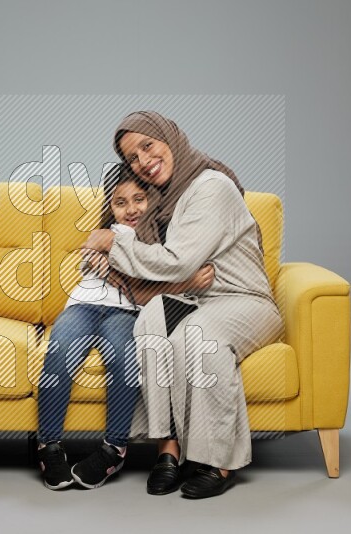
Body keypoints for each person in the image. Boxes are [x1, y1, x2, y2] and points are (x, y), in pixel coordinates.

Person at [82, 111, 283, 499]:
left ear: (169, 138)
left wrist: (112, 242)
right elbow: (155, 276)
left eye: (148, 146)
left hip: (244, 301)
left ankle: (218, 461)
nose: (143, 161)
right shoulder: (162, 200)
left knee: (197, 334)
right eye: (133, 158)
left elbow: (178, 261)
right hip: (195, 298)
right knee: (153, 320)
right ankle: (168, 449)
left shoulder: (211, 187)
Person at [36, 164, 214, 490]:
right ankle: (49, 446)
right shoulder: (104, 235)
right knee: (60, 351)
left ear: (153, 200)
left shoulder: (161, 243)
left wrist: (133, 275)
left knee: (125, 359)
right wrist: (170, 281)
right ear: (111, 207)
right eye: (121, 203)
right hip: (83, 306)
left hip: (127, 314)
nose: (131, 209)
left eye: (139, 199)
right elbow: (133, 283)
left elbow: (137, 291)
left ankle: (114, 449)